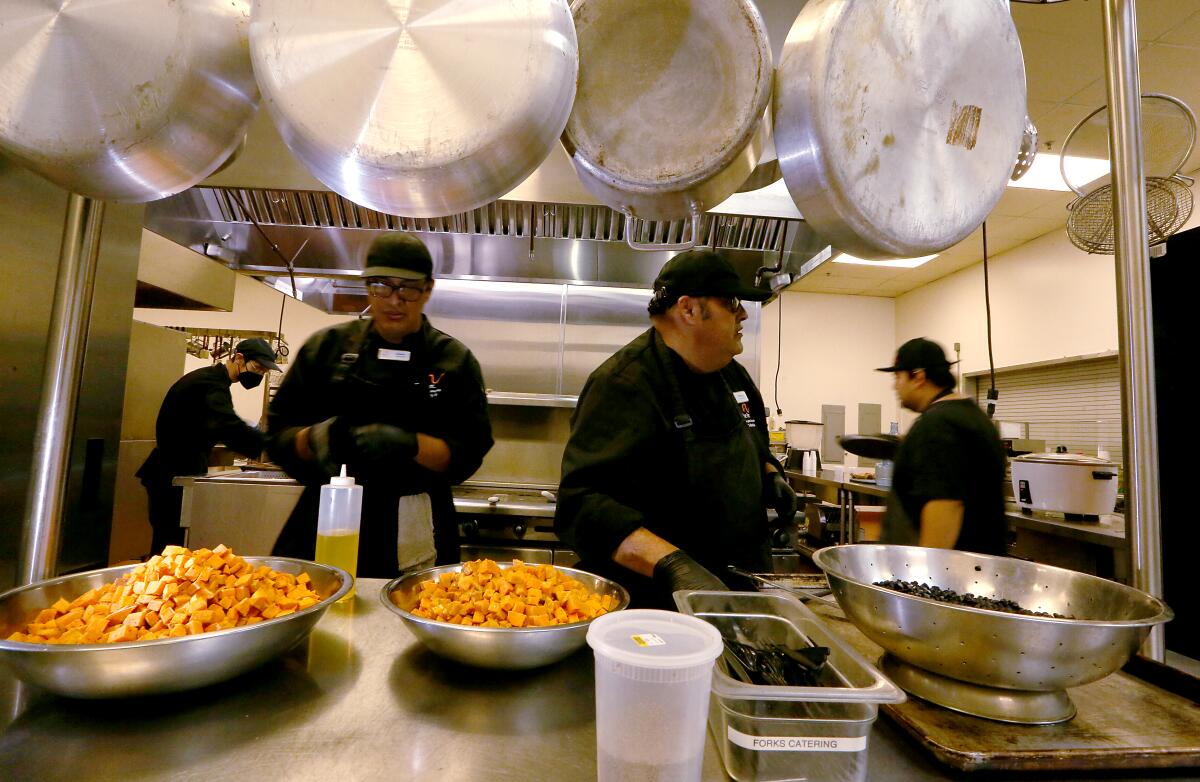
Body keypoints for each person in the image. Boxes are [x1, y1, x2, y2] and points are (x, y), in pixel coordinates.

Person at [555, 249, 796, 609]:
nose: (743, 313)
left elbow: (753, 441)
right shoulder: (625, 384)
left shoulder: (733, 374)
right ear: (688, 309)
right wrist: (673, 566)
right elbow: (583, 506)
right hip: (658, 608)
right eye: (731, 302)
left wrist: (770, 474)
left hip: (738, 595)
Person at [266, 233, 493, 579]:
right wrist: (320, 439)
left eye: (408, 288)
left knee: (414, 616)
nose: (393, 300)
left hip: (414, 523)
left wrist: (410, 444)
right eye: (381, 286)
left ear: (428, 289)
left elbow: (468, 452)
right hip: (327, 516)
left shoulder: (453, 361)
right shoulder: (325, 349)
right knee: (312, 608)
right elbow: (277, 435)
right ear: (367, 286)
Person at [136, 338, 279, 555]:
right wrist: (275, 447)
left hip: (178, 470)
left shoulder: (213, 381)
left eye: (263, 372)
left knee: (173, 548)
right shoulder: (209, 384)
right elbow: (227, 426)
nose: (258, 375)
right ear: (239, 358)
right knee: (169, 549)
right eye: (257, 368)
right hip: (171, 475)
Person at [877, 337, 1007, 555]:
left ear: (918, 376)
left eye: (898, 376)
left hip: (954, 579)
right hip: (980, 571)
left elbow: (945, 505)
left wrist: (924, 581)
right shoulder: (974, 417)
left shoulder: (937, 425)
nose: (894, 385)